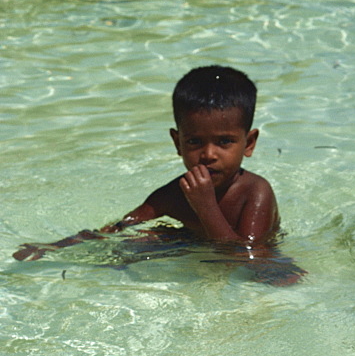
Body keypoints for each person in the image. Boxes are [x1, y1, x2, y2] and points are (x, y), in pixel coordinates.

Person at [13, 66, 279, 262]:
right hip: (197, 246)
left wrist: (205, 206)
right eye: (195, 142)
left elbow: (244, 257)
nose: (208, 154)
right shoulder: (176, 192)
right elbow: (118, 228)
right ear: (178, 143)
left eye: (224, 142)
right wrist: (56, 247)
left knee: (276, 277)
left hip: (249, 256)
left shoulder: (255, 193)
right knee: (126, 249)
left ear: (249, 143)